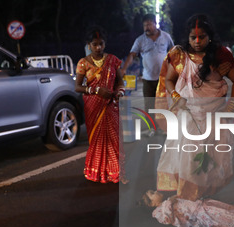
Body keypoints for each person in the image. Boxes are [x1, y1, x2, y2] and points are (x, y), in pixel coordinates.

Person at [154, 14, 234, 201]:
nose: (196, 41)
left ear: (209, 36)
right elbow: (169, 80)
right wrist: (176, 96)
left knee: (210, 154)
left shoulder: (220, 54)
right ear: (187, 37)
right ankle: (189, 194)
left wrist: (232, 107)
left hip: (214, 114)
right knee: (189, 155)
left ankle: (204, 192)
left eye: (201, 37)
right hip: (188, 114)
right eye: (192, 37)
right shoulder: (178, 54)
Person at [75, 27, 126, 183]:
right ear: (88, 45)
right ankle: (98, 171)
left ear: (105, 44)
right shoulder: (83, 63)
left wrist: (120, 93)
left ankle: (115, 171)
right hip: (93, 105)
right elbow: (78, 87)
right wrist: (96, 89)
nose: (98, 47)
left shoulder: (112, 60)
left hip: (110, 104)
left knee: (114, 138)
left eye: (101, 44)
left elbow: (119, 82)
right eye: (94, 44)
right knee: (97, 140)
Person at [121, 14, 175, 98]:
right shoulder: (140, 40)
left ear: (155, 23)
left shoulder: (166, 37)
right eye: (145, 25)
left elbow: (173, 53)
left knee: (163, 107)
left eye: (149, 25)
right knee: (149, 107)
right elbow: (132, 55)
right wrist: (124, 69)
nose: (146, 28)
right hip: (147, 80)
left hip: (163, 79)